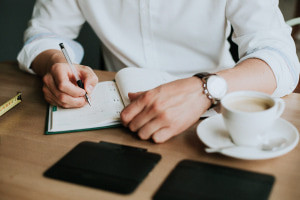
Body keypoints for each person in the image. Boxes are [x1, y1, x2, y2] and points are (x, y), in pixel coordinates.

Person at [18, 0, 300, 143]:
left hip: (215, 116)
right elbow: (44, 32)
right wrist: (53, 61)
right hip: (116, 122)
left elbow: (281, 59)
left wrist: (206, 89)